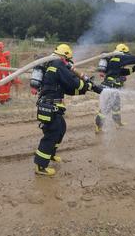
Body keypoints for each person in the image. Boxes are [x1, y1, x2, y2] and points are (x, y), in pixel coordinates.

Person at [33, 44, 101, 176]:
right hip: (50, 106)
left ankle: (50, 155)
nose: (70, 65)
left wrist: (85, 89)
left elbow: (68, 88)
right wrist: (87, 85)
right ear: (65, 57)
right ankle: (40, 166)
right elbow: (72, 82)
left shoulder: (52, 65)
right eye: (69, 61)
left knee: (61, 128)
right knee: (52, 133)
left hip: (51, 105)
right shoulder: (58, 64)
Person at [95, 43, 135, 133]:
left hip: (111, 85)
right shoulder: (120, 57)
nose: (127, 56)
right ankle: (98, 126)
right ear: (123, 52)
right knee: (107, 106)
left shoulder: (113, 60)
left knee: (116, 104)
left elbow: (124, 72)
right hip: (112, 85)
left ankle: (117, 122)